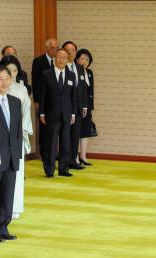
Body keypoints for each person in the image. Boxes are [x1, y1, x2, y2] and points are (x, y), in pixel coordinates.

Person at [0, 66, 22, 242]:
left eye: (7, 78)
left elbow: (17, 132)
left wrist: (17, 155)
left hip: (11, 157)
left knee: (7, 195)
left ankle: (3, 227)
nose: (4, 82)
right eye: (0, 79)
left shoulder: (16, 102)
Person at [0, 55, 33, 220]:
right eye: (8, 70)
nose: (12, 74)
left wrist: (23, 134)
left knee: (17, 173)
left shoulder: (21, 89)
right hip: (1, 137)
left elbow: (26, 113)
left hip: (17, 135)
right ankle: (2, 207)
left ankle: (16, 207)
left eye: (14, 70)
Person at [38, 48, 77, 177]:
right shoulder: (46, 74)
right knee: (51, 143)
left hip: (67, 114)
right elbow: (42, 95)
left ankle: (64, 169)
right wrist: (42, 113)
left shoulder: (71, 75)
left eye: (64, 58)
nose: (61, 60)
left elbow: (73, 96)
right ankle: (49, 170)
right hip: (51, 114)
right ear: (55, 58)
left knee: (66, 142)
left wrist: (73, 114)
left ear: (67, 60)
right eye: (59, 57)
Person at [32, 38, 58, 160]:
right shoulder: (38, 61)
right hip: (43, 100)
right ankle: (43, 153)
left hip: (56, 101)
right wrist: (37, 101)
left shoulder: (59, 61)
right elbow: (36, 82)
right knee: (44, 128)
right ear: (46, 48)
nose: (55, 50)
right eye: (52, 48)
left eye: (57, 47)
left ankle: (54, 153)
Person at [63, 41, 88, 169]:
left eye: (72, 50)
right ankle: (65, 161)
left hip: (78, 108)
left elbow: (82, 88)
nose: (70, 53)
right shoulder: (61, 67)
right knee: (65, 136)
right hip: (66, 108)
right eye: (67, 50)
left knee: (75, 136)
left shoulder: (79, 67)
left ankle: (73, 160)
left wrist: (84, 106)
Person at [77, 48, 95, 166]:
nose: (84, 61)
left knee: (85, 132)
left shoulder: (89, 72)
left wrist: (91, 107)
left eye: (87, 59)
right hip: (77, 107)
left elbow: (91, 91)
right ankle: (75, 157)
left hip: (87, 107)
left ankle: (83, 156)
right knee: (76, 132)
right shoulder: (73, 72)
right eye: (82, 59)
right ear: (77, 60)